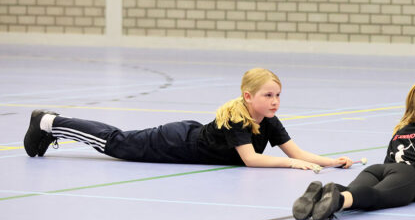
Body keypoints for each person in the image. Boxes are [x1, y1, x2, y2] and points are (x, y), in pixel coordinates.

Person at [22, 68, 350, 171]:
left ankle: (50, 126)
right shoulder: (239, 119)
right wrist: (292, 167)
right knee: (117, 144)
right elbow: (251, 160)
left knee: (119, 142)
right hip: (174, 142)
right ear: (249, 96)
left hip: (185, 138)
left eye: (277, 95)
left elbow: (298, 153)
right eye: (268, 95)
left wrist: (332, 162)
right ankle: (50, 122)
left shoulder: (267, 119)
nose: (275, 101)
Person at [292, 76, 415, 220]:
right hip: (408, 175)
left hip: (378, 170)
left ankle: (320, 194)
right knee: (376, 197)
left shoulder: (402, 130)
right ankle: (340, 200)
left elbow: (391, 167)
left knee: (355, 192)